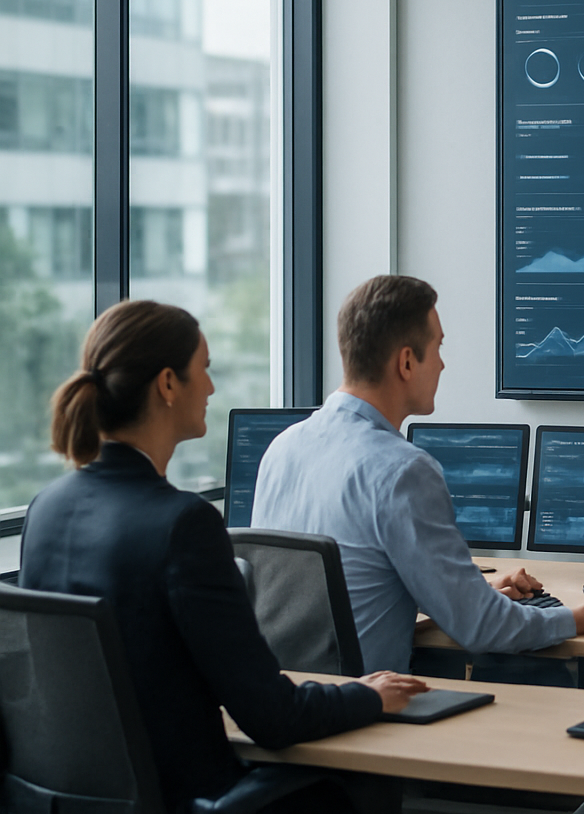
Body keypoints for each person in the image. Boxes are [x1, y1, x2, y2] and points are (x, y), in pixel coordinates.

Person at [19, 299, 427, 814]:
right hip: (190, 797)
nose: (211, 388)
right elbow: (272, 717)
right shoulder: (183, 524)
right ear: (168, 384)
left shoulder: (47, 509)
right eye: (204, 370)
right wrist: (370, 694)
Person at [252, 275, 584, 674]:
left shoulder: (283, 448)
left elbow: (350, 582)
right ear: (406, 362)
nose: (442, 363)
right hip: (370, 711)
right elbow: (482, 628)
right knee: (545, 674)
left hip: (293, 702)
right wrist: (578, 618)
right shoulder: (402, 470)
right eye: (437, 347)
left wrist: (467, 591)